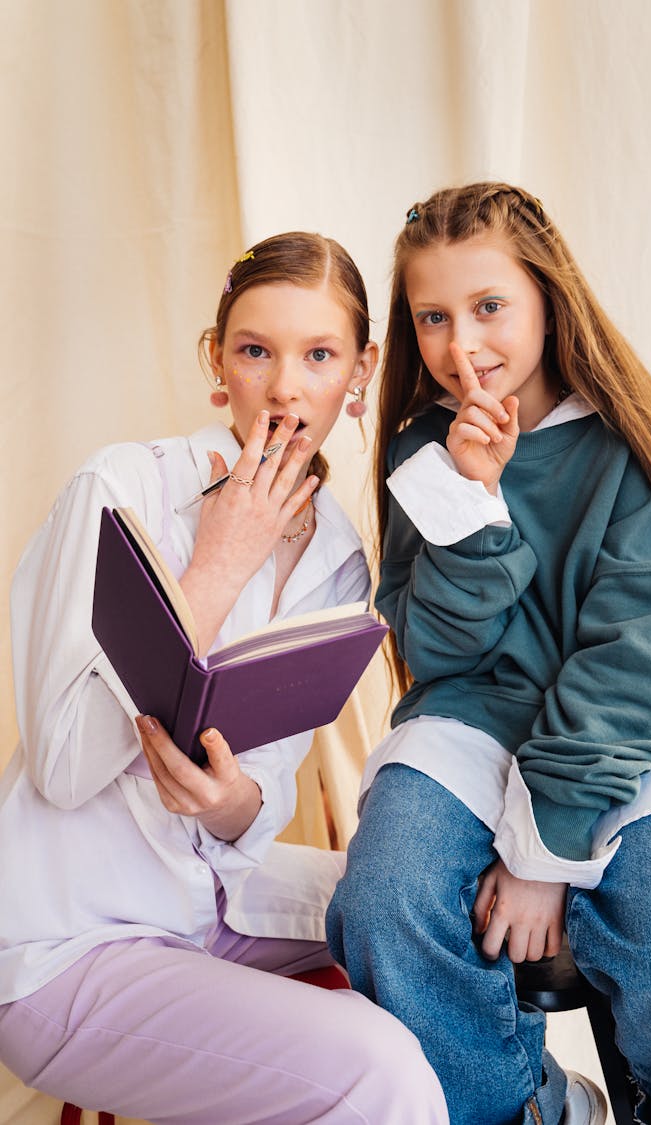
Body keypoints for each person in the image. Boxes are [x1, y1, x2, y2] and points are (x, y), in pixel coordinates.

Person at [0, 232, 449, 1125]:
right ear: (218, 360)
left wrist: (229, 803)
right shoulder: (120, 487)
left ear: (360, 373)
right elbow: (60, 763)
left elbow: (259, 807)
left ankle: (533, 1099)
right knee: (380, 1072)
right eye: (256, 351)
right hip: (65, 945)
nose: (285, 388)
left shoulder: (339, 559)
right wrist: (217, 565)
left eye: (319, 355)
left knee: (431, 916)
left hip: (207, 904)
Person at [326, 183, 651, 1125]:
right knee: (387, 895)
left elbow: (650, 657)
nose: (459, 345)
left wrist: (540, 848)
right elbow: (435, 651)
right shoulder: (422, 455)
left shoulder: (621, 442)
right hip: (475, 725)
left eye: (488, 308)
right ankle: (526, 1108)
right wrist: (473, 504)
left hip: (633, 740)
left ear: (548, 300)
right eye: (432, 317)